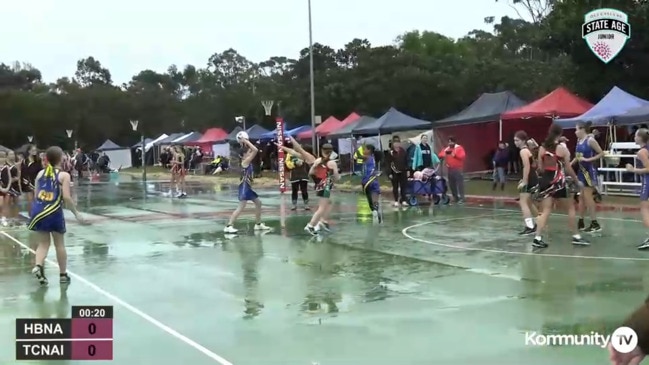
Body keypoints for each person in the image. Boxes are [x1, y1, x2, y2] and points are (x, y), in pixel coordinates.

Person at [29, 146, 86, 286]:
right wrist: (76, 213)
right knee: (59, 244)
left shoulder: (40, 174)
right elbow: (66, 197)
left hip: (39, 211)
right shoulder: (64, 175)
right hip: (53, 212)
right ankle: (63, 274)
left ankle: (38, 265)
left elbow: (36, 195)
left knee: (43, 243)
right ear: (61, 158)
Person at [532, 124, 589, 248]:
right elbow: (568, 168)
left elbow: (540, 168)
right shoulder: (562, 149)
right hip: (558, 180)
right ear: (560, 134)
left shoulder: (542, 148)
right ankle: (576, 236)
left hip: (545, 180)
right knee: (570, 208)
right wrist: (576, 180)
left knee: (545, 210)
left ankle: (537, 237)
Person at [223, 137, 271, 234]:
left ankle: (258, 224)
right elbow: (255, 150)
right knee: (241, 206)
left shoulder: (246, 162)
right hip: (244, 187)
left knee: (258, 203)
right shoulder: (245, 162)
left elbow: (254, 150)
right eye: (249, 152)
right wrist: (246, 141)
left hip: (247, 186)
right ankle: (229, 226)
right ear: (244, 155)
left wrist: (244, 143)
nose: (250, 153)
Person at [573, 121, 604, 232]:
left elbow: (601, 153)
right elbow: (577, 156)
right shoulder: (579, 141)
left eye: (576, 129)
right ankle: (581, 221)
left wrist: (588, 159)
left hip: (589, 171)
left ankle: (594, 222)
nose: (575, 132)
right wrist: (569, 165)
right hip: (581, 171)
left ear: (582, 129)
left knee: (587, 196)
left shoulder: (590, 140)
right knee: (580, 196)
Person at [304, 144, 340, 235]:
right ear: (331, 152)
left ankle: (322, 221)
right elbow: (336, 177)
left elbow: (310, 173)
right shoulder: (332, 163)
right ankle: (311, 225)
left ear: (321, 150)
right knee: (322, 208)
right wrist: (335, 177)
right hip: (326, 186)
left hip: (319, 185)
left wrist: (318, 177)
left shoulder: (318, 161)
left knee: (330, 202)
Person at [626, 128, 649, 249]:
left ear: (640, 138)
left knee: (644, 208)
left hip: (647, 181)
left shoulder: (642, 152)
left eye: (635, 136)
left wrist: (633, 170)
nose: (634, 137)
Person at [513, 131, 539, 235]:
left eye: (517, 140)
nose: (515, 142)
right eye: (514, 140)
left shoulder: (523, 151)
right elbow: (533, 165)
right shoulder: (527, 150)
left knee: (523, 202)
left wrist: (524, 181)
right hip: (532, 177)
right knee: (529, 202)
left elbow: (527, 166)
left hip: (529, 178)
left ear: (523, 141)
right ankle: (539, 222)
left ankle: (530, 226)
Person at [438, 136, 466, 204]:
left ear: (455, 142)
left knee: (460, 184)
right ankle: (455, 197)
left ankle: (462, 198)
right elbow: (440, 154)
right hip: (450, 169)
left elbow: (462, 156)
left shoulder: (459, 148)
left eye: (452, 142)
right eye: (449, 142)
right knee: (452, 184)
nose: (450, 143)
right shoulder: (447, 149)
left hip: (458, 169)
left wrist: (455, 155)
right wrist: (443, 155)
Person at [385, 136, 409, 207]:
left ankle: (403, 200)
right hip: (394, 173)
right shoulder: (390, 152)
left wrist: (407, 170)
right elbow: (387, 163)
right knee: (395, 187)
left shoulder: (403, 151)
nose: (397, 144)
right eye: (395, 143)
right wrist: (389, 173)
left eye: (398, 142)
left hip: (403, 171)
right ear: (393, 144)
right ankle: (396, 200)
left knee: (403, 187)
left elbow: (406, 161)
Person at [361, 144, 381, 224]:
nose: (363, 151)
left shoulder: (367, 157)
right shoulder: (372, 158)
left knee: (370, 201)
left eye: (364, 149)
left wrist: (354, 145)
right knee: (375, 201)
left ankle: (374, 212)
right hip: (373, 180)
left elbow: (357, 156)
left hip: (367, 181)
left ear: (369, 150)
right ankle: (376, 212)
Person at [286, 146, 310, 211]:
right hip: (294, 175)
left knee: (304, 190)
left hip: (303, 175)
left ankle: (306, 204)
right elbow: (287, 163)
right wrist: (294, 163)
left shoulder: (304, 153)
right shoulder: (290, 154)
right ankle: (294, 204)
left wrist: (303, 162)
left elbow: (309, 161)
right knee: (294, 190)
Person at [21, 145, 42, 218]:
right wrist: (24, 181)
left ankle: (37, 215)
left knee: (37, 200)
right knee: (30, 200)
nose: (34, 152)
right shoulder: (24, 161)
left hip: (36, 182)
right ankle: (30, 216)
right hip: (27, 183)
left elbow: (40, 172)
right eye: (33, 150)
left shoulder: (38, 161)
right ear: (29, 151)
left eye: (35, 150)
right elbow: (23, 172)